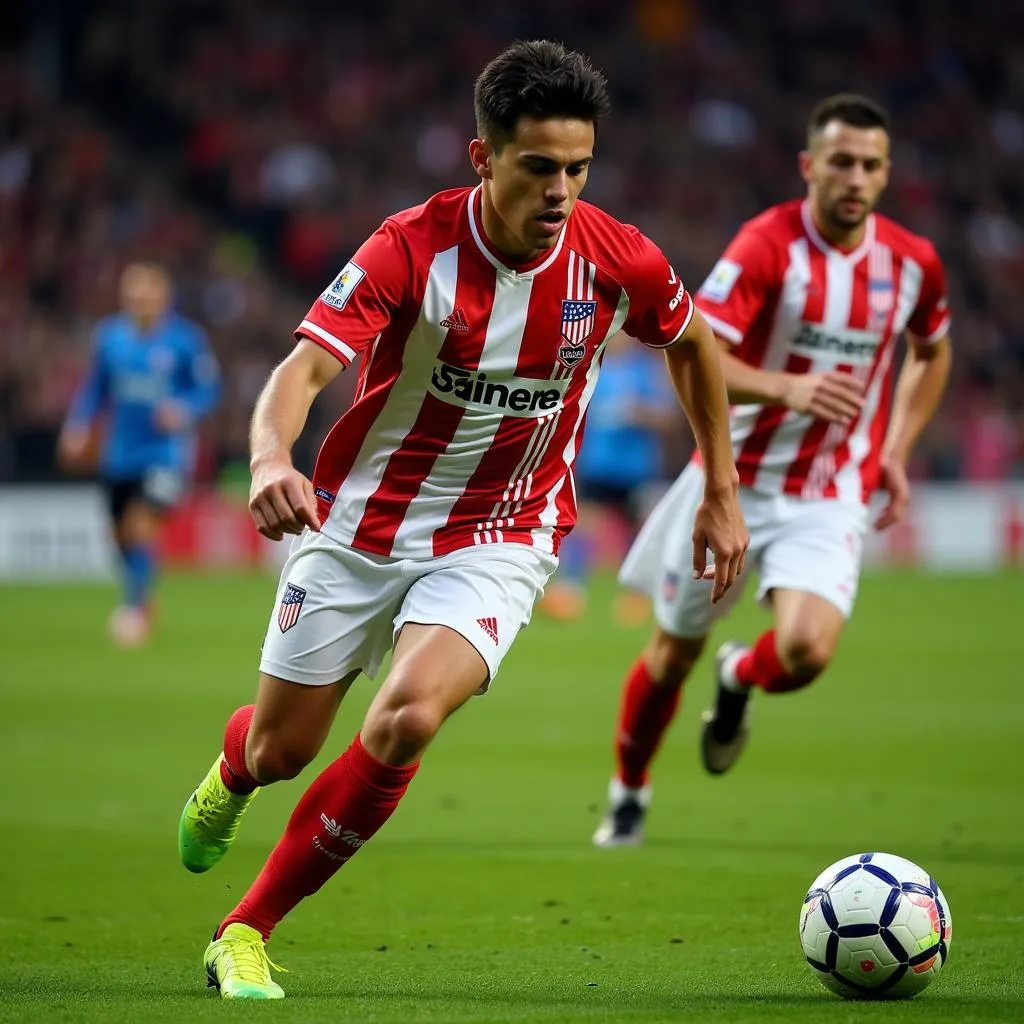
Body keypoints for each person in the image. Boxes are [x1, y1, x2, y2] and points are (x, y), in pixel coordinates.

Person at [176, 39, 748, 1000]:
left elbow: (692, 345)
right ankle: (232, 773)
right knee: (283, 749)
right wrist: (272, 456)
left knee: (404, 718)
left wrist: (721, 492)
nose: (562, 189)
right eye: (539, 167)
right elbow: (299, 372)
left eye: (578, 168)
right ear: (484, 159)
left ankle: (245, 931)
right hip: (361, 526)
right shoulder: (410, 247)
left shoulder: (618, 257)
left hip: (506, 534)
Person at [592, 93, 952, 848]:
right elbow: (696, 352)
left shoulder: (912, 263)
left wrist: (893, 449)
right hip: (734, 483)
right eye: (840, 162)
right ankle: (629, 789)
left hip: (830, 490)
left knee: (807, 651)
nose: (854, 177)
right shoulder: (767, 246)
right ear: (809, 167)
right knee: (668, 653)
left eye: (869, 165)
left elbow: (933, 350)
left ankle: (740, 677)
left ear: (886, 175)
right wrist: (787, 386)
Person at [58, 261, 220, 646]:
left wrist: (183, 408)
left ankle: (133, 609)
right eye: (134, 292)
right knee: (118, 534)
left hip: (165, 455)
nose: (140, 299)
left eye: (148, 291)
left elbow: (207, 390)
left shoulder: (185, 341)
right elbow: (95, 389)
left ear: (164, 296)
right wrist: (78, 425)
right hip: (120, 455)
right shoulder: (110, 338)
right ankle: (141, 596)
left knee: (139, 525)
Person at [539, 331, 682, 622]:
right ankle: (571, 590)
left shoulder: (646, 370)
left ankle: (636, 596)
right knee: (584, 525)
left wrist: (637, 413)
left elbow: (668, 418)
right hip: (598, 464)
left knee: (638, 531)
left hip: (636, 467)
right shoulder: (592, 367)